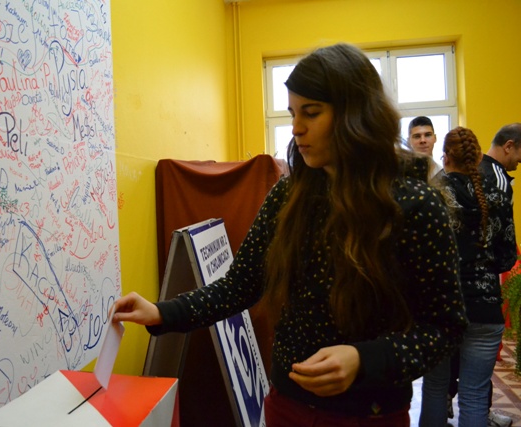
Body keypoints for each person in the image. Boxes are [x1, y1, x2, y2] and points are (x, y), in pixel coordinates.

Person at [112, 43, 467, 427]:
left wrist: (364, 359)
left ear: (356, 115)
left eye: (311, 113)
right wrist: (162, 312)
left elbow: (444, 328)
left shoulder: (414, 204)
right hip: (286, 405)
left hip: (370, 414)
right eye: (293, 114)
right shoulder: (291, 194)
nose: (297, 128)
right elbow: (240, 284)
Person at [418, 127, 517, 427]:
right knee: (475, 395)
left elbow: (420, 255)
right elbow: (507, 256)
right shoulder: (497, 193)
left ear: (445, 157)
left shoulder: (433, 193)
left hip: (440, 307)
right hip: (485, 308)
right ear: (476, 159)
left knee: (435, 388)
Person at [480, 122, 521, 427]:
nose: (519, 162)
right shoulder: (497, 179)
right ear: (509, 146)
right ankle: (482, 415)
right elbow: (502, 235)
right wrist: (507, 262)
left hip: (460, 282)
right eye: (519, 155)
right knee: (480, 369)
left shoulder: (472, 171)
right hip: (482, 283)